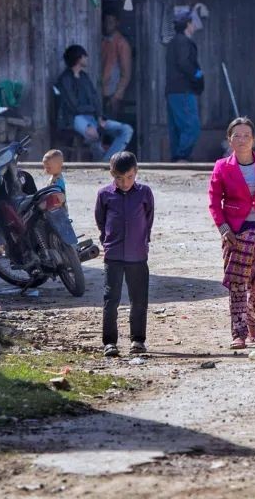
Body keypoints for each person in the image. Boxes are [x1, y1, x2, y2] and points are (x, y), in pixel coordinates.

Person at [208, 118, 255, 349]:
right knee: (238, 284)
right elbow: (214, 202)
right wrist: (224, 229)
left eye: (246, 136)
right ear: (229, 139)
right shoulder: (222, 167)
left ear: (253, 139)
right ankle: (239, 333)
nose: (241, 140)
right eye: (237, 136)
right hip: (236, 232)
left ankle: (252, 323)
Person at [95, 151, 155, 358]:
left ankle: (137, 340)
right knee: (111, 300)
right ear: (112, 174)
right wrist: (108, 241)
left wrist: (143, 242)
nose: (125, 183)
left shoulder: (144, 193)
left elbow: (148, 219)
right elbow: (101, 221)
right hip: (113, 256)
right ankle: (109, 342)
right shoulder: (104, 195)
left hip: (138, 255)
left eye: (129, 177)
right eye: (119, 178)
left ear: (136, 172)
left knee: (138, 300)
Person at [55, 44, 134, 162]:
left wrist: (99, 116)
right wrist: (90, 123)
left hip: (93, 117)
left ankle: (106, 161)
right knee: (93, 135)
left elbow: (95, 99)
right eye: (84, 56)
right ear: (78, 58)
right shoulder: (65, 79)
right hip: (74, 118)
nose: (86, 59)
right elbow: (73, 106)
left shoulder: (84, 77)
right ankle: (100, 155)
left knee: (126, 130)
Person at [165, 13, 203, 162]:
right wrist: (196, 75)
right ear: (188, 24)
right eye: (192, 23)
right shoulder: (183, 42)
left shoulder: (173, 42)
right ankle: (182, 156)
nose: (194, 26)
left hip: (173, 91)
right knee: (192, 126)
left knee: (176, 127)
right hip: (183, 90)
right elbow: (184, 63)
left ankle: (177, 158)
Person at [101, 14, 133, 115]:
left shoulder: (122, 43)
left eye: (111, 22)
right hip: (102, 90)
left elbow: (126, 73)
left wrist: (117, 95)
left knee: (112, 121)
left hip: (113, 92)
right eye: (106, 22)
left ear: (117, 23)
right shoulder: (104, 41)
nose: (107, 25)